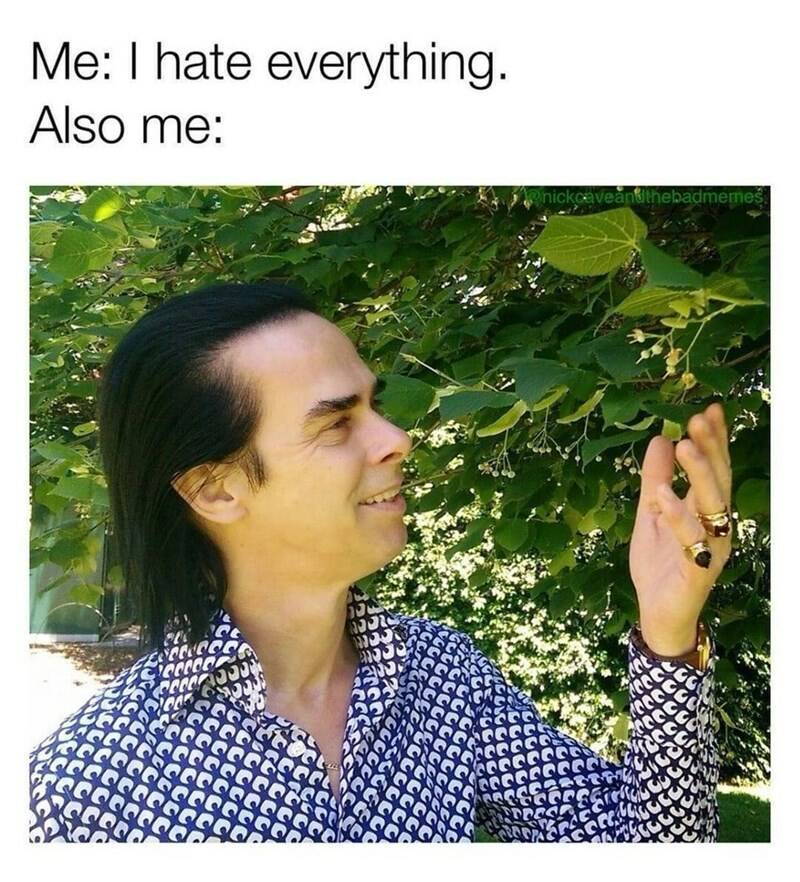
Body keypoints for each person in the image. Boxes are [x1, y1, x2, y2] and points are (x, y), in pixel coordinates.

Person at [29, 281, 730, 843]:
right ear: (217, 490)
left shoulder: (443, 679)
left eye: (375, 406)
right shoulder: (82, 792)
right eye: (336, 423)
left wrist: (669, 633)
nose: (397, 437)